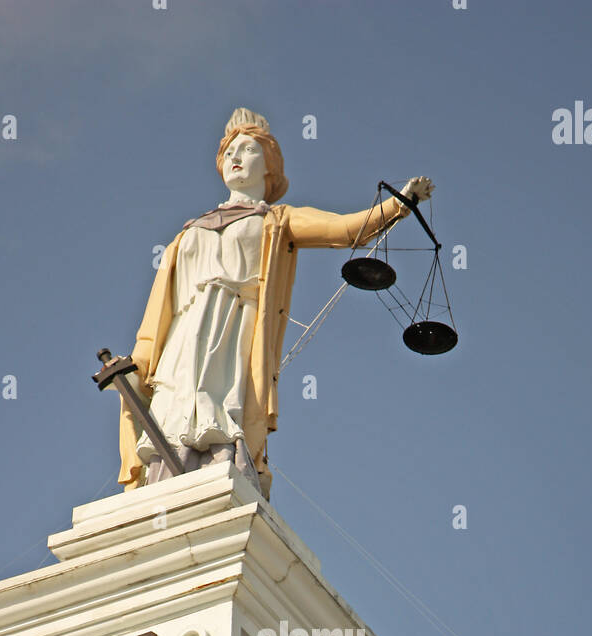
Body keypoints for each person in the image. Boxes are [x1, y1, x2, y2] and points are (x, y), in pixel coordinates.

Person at [116, 107, 433, 498]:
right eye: (230, 150)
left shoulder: (277, 219)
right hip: (183, 339)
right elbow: (157, 315)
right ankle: (166, 479)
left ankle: (221, 466)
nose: (235, 157)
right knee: (173, 414)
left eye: (248, 149)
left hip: (238, 330)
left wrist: (400, 204)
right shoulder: (186, 235)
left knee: (223, 408)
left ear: (269, 166)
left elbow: (343, 229)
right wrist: (139, 362)